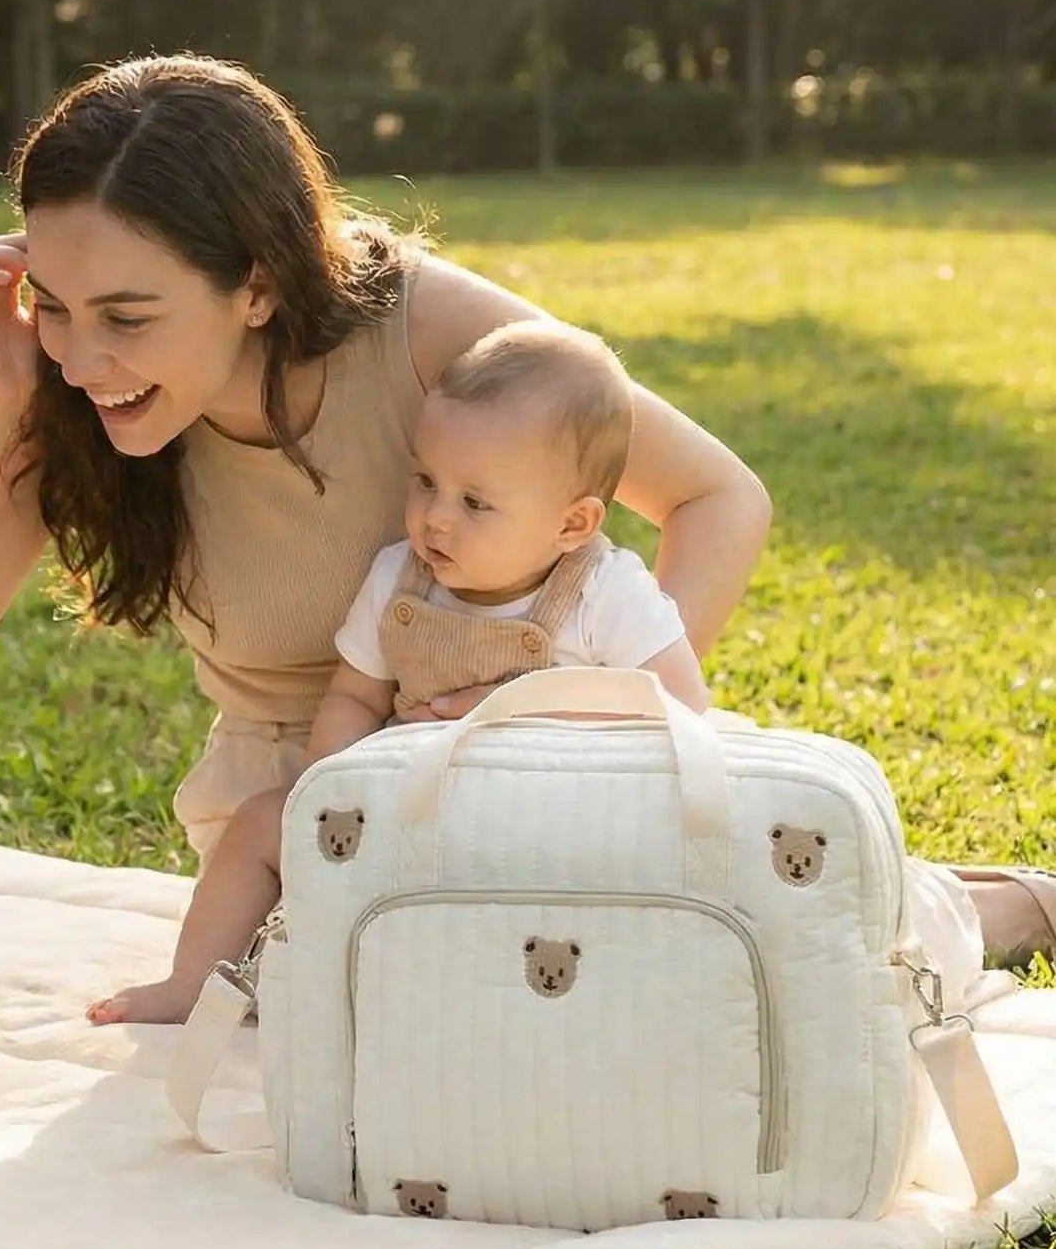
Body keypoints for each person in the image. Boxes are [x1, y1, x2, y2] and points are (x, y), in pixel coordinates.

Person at [0, 54, 1056, 982]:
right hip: (304, 809)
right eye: (55, 306)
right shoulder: (61, 397)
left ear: (259, 282)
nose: (83, 355)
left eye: (125, 314)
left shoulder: (415, 321)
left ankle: (990, 904)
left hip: (539, 760)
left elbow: (718, 496)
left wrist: (579, 713)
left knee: (707, 967)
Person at [89, 317, 711, 1024]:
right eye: (424, 481)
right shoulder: (400, 578)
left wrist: (528, 709)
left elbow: (681, 707)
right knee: (262, 825)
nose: (435, 520)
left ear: (572, 524)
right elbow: (356, 692)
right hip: (414, 813)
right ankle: (197, 982)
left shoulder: (606, 593)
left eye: (474, 502)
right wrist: (333, 789)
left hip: (546, 831)